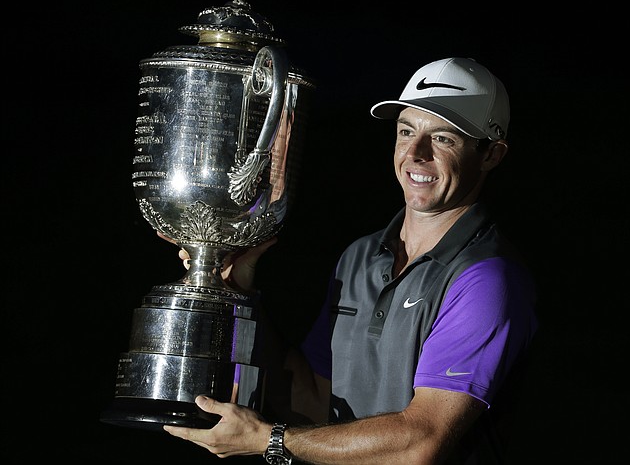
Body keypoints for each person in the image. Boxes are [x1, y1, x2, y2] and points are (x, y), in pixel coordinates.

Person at [163, 57, 538, 464]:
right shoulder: (360, 258)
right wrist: (239, 293)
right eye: (406, 131)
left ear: (491, 155)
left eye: (443, 138)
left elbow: (421, 443)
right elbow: (311, 401)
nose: (415, 153)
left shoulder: (486, 279)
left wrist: (269, 439)